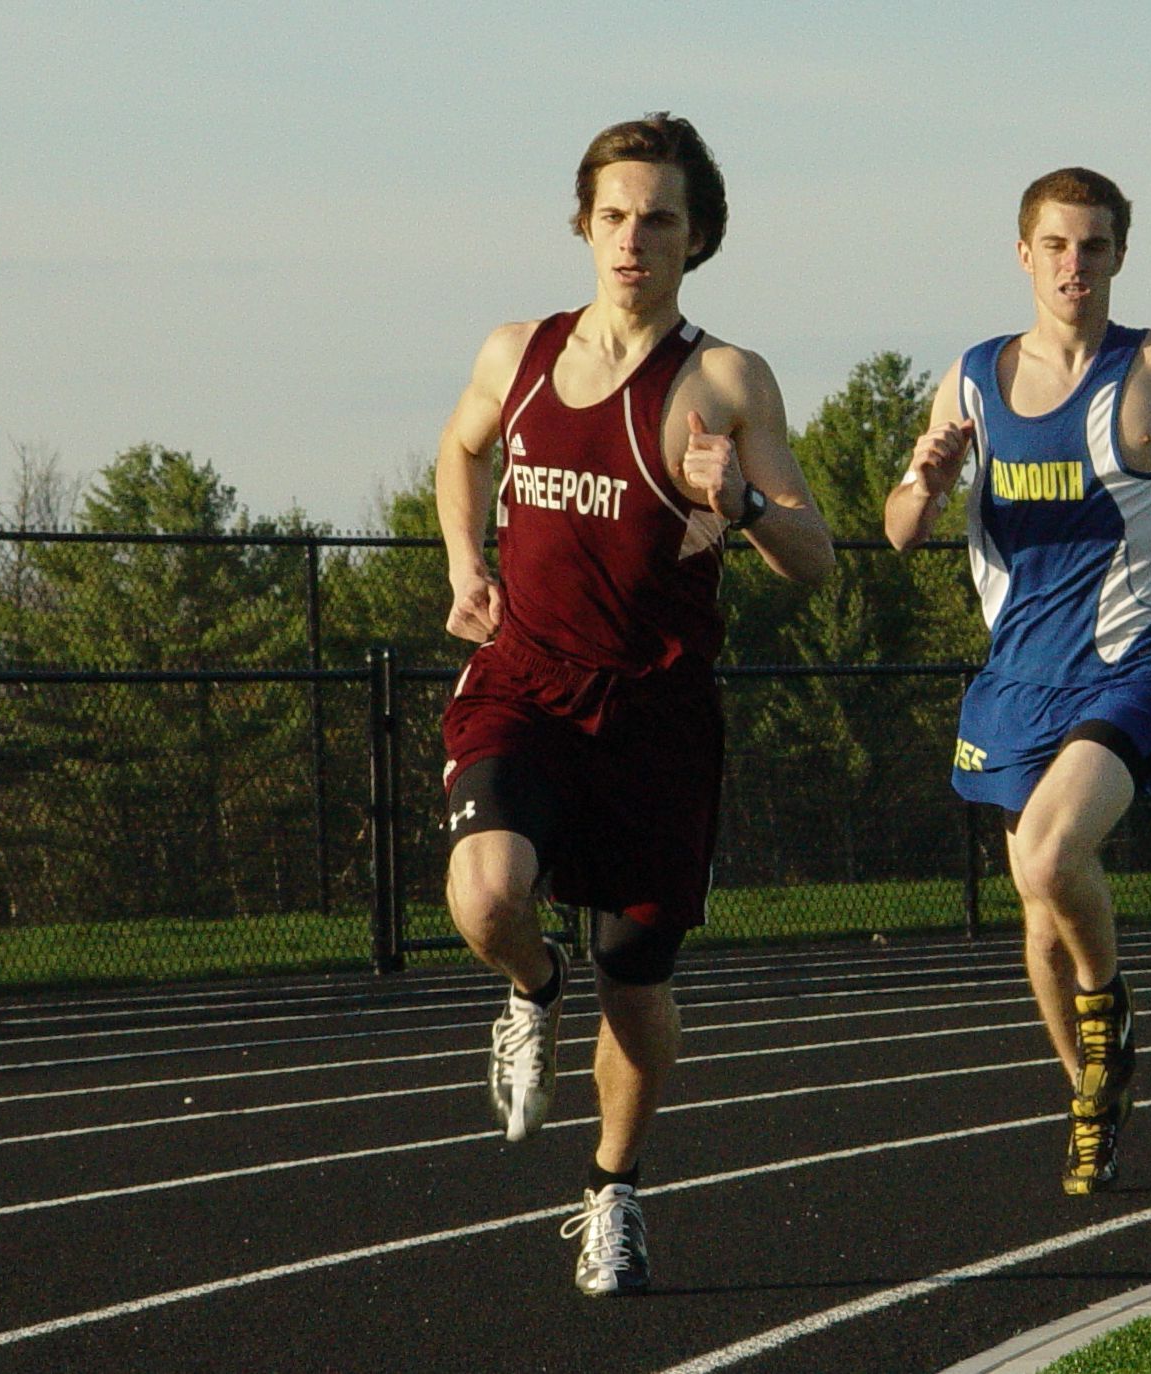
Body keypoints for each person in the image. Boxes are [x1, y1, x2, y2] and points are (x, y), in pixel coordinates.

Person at [436, 113, 834, 1295]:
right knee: (488, 896)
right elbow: (460, 452)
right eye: (612, 216)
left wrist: (741, 505)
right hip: (524, 683)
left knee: (636, 982)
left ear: (695, 236)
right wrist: (465, 562)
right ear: (583, 223)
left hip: (655, 718)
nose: (631, 240)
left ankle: (612, 1187)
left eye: (658, 220)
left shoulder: (724, 380)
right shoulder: (518, 352)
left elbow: (816, 559)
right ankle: (530, 987)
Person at [884, 167, 1151, 1196]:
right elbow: (900, 531)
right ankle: (1089, 1092)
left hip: (1131, 665)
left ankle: (1110, 1007)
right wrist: (926, 480)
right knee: (1035, 907)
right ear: (1024, 254)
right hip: (1018, 679)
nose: (1075, 265)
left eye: (1094, 246)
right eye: (1057, 246)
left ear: (1119, 256)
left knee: (1053, 855)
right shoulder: (972, 379)